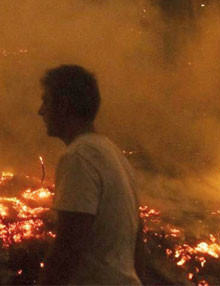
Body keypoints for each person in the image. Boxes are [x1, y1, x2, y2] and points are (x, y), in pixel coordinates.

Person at [37, 65, 143, 285]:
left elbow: (68, 246)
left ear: (63, 105)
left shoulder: (79, 157)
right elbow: (137, 241)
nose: (40, 111)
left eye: (46, 101)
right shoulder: (113, 153)